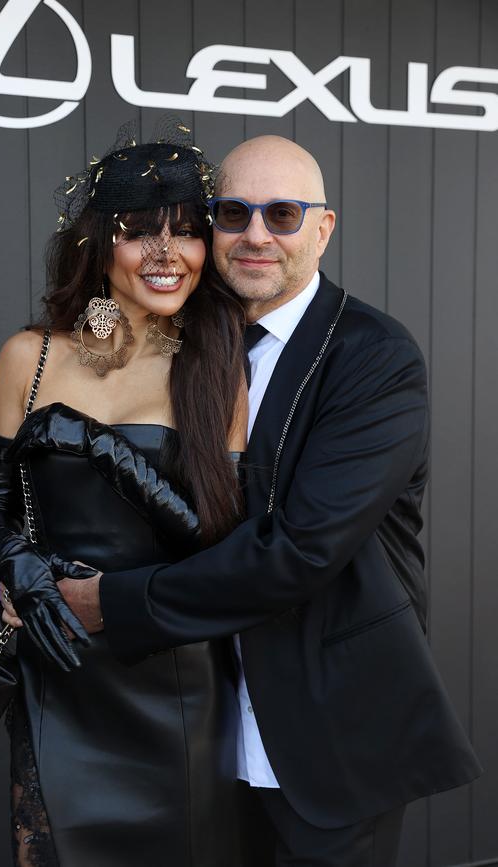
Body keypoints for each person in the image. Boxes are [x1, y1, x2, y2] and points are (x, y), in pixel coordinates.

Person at [59, 135, 482, 867]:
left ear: (323, 229)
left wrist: (109, 603)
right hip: (198, 728)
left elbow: (300, 549)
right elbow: (92, 346)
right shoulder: (187, 333)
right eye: (233, 212)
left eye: (283, 214)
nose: (257, 234)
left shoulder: (374, 356)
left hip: (333, 735)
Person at [0, 122, 249, 867]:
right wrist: (22, 572)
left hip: (178, 679)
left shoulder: (220, 365)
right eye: (138, 234)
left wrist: (98, 445)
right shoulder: (27, 357)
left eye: (188, 233)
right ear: (99, 244)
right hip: (59, 666)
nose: (168, 255)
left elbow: (212, 539)